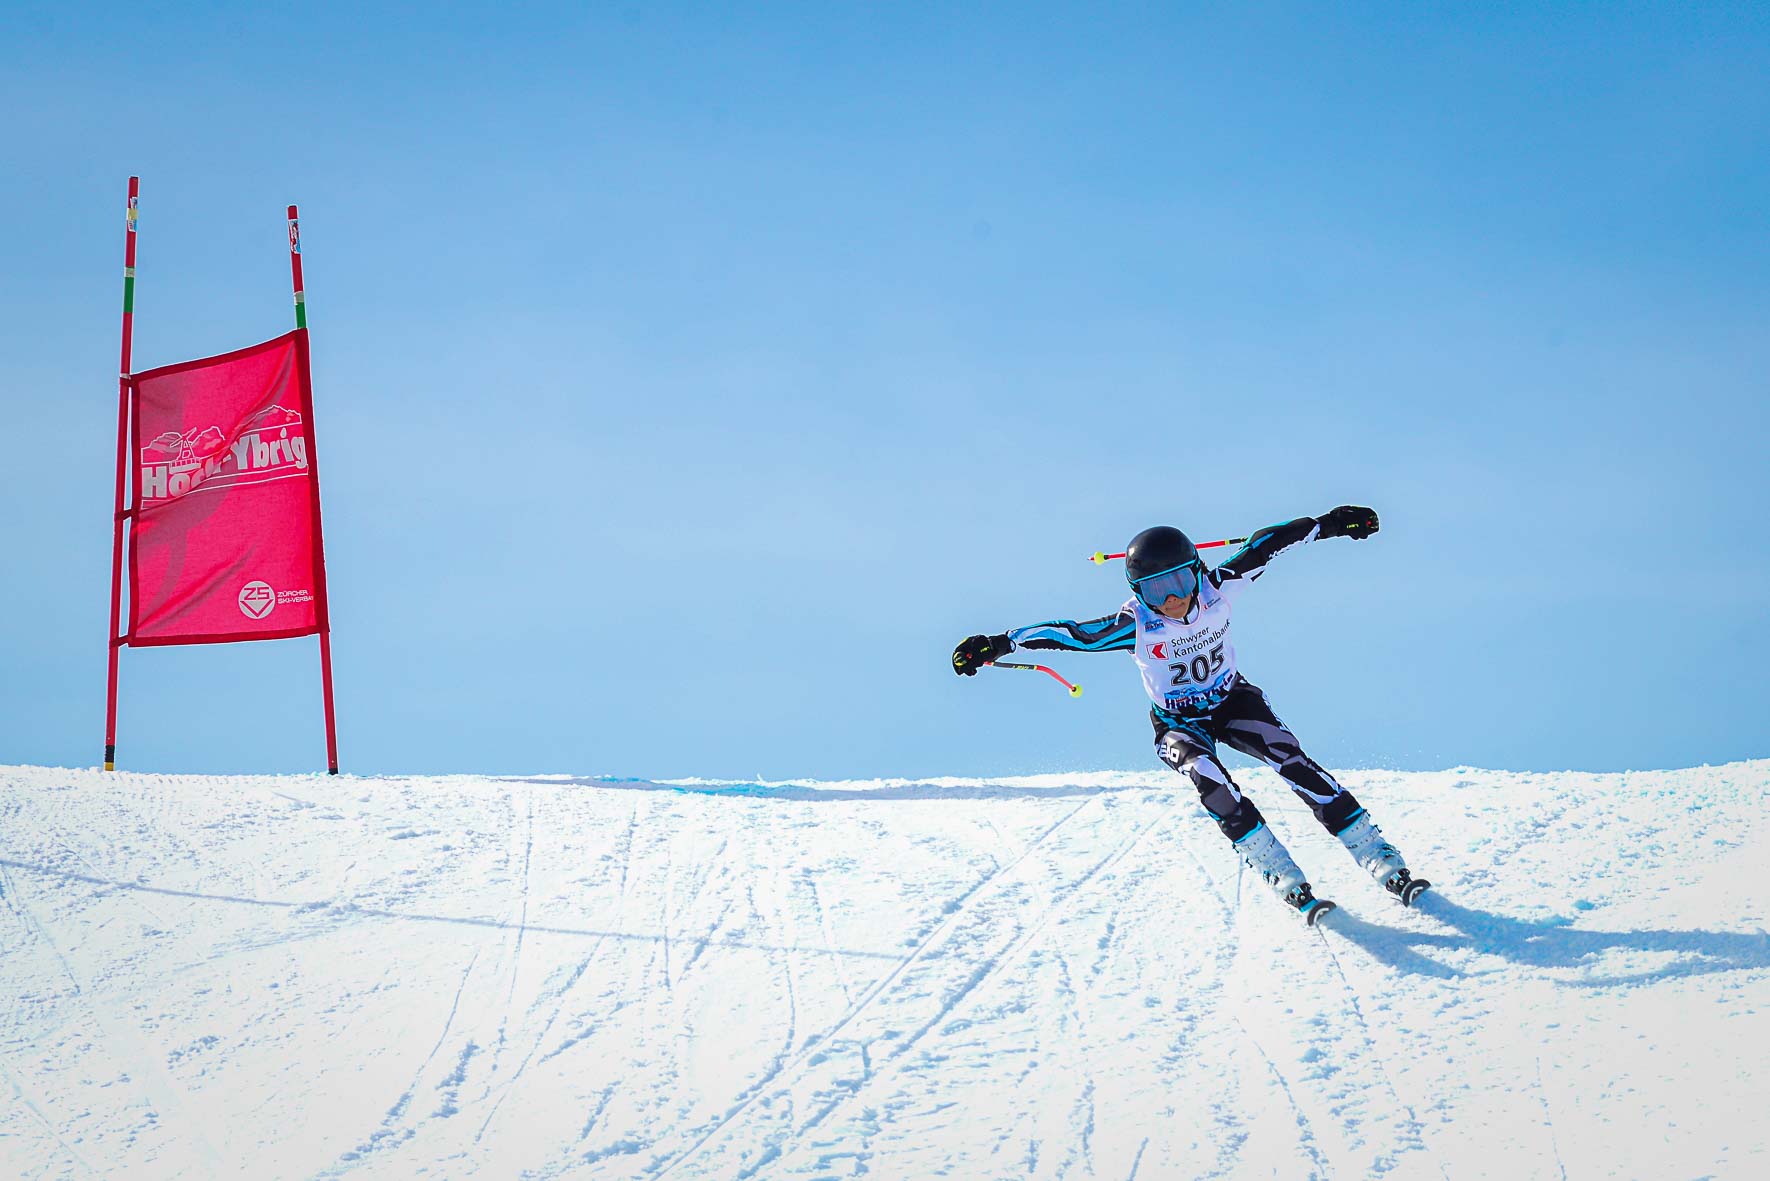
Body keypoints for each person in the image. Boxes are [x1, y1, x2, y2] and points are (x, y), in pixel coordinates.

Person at [951, 507, 1426, 925]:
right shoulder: (1136, 625)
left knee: (1290, 759)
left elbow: (1267, 543)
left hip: (1234, 701)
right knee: (1211, 781)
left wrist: (1328, 524)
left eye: (1179, 582)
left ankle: (1377, 854)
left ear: (1197, 571)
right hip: (1178, 724)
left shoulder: (1220, 588)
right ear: (1139, 593)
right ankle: (1281, 873)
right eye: (1156, 590)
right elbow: (1072, 634)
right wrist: (1001, 642)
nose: (1172, 599)